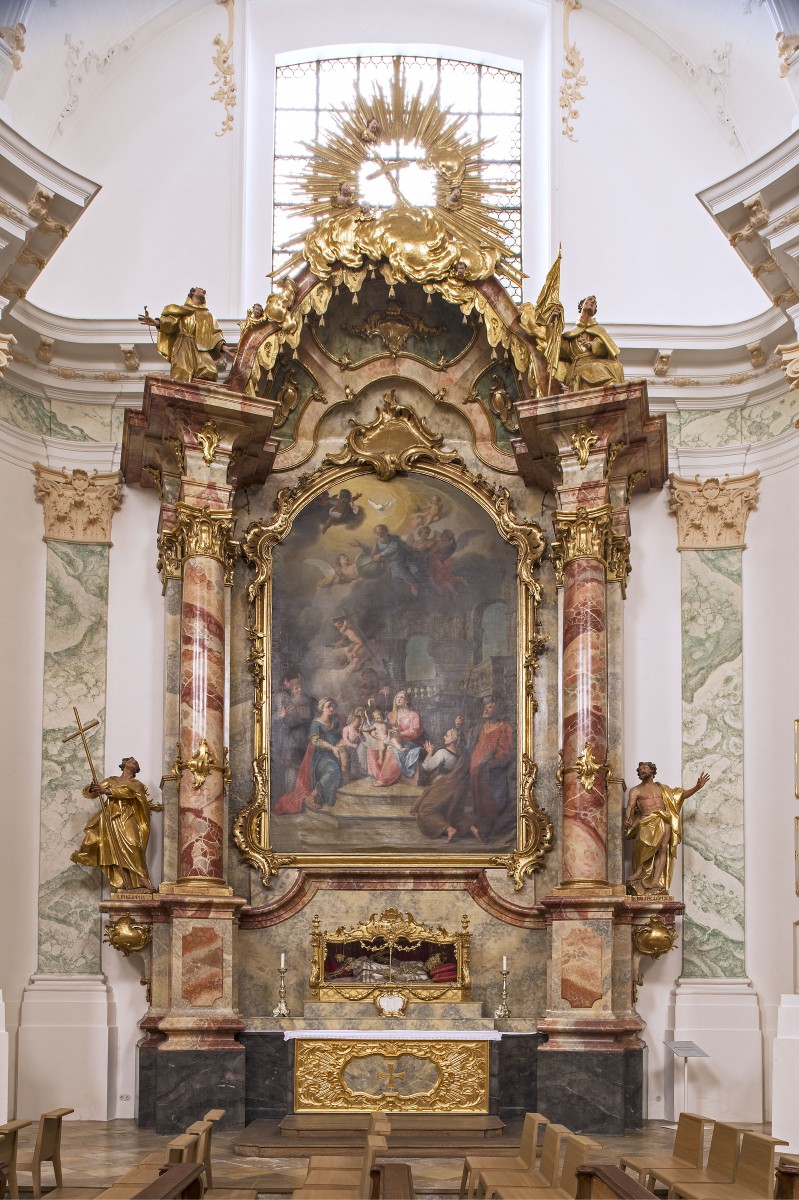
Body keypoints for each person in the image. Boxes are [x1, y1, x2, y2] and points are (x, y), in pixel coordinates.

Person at [71, 757, 160, 891]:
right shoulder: (111, 780)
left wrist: (108, 791)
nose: (134, 761)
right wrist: (93, 788)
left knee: (133, 844)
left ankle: (143, 878)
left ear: (136, 769)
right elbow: (92, 794)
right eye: (131, 760)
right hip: (110, 819)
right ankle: (124, 882)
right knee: (115, 848)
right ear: (124, 764)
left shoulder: (136, 783)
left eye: (136, 762)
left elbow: (128, 793)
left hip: (127, 816)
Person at [625, 761, 710, 894]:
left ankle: (655, 880)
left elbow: (681, 795)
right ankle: (638, 871)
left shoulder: (662, 789)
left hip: (664, 820)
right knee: (641, 846)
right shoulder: (636, 790)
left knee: (663, 849)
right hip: (646, 820)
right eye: (640, 769)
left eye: (645, 768)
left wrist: (697, 787)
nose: (642, 770)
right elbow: (630, 806)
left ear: (652, 771)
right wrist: (628, 818)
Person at [139, 287, 231, 382]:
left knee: (209, 371)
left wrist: (225, 348)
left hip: (201, 347)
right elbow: (171, 322)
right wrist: (157, 323)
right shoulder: (182, 310)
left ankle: (201, 391)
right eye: (200, 289)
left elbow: (215, 334)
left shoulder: (208, 316)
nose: (204, 291)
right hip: (183, 344)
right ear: (192, 293)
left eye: (204, 292)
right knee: (181, 372)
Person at [276, 697, 344, 814]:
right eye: (328, 706)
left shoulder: (336, 721)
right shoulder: (316, 723)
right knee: (333, 770)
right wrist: (331, 747)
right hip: (320, 757)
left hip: (335, 754)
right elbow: (315, 741)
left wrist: (341, 747)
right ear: (322, 708)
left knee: (341, 771)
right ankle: (313, 795)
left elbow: (340, 738)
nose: (332, 708)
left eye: (332, 706)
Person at [410, 729, 470, 841]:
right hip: (454, 789)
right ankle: (472, 828)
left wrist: (429, 753)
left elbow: (427, 768)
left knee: (425, 809)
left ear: (454, 739)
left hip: (441, 787)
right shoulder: (462, 755)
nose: (444, 737)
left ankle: (449, 829)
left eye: (446, 735)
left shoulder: (443, 752)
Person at [558, 294, 624, 391]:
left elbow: (602, 344)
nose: (593, 303)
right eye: (590, 300)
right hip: (579, 365)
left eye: (595, 303)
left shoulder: (598, 329)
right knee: (595, 367)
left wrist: (590, 345)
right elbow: (561, 349)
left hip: (594, 359)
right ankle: (611, 388)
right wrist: (554, 325)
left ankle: (613, 393)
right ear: (581, 305)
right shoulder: (571, 333)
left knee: (617, 366)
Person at [469, 699, 514, 842]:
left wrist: (489, 765)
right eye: (486, 706)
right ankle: (481, 828)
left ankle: (487, 832)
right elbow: (473, 744)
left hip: (492, 771)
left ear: (498, 710)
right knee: (478, 803)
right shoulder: (482, 727)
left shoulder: (504, 727)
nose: (486, 709)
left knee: (491, 802)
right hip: (475, 771)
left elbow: (505, 751)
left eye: (490, 707)